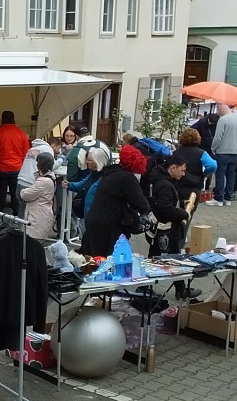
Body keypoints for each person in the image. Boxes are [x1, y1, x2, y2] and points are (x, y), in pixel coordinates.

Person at [80, 145, 151, 257]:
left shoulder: (110, 173)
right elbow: (141, 204)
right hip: (110, 227)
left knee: (94, 262)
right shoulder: (126, 178)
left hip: (95, 222)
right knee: (109, 263)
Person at [147, 153, 200, 300]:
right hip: (165, 229)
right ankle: (144, 287)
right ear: (173, 168)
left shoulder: (163, 181)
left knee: (162, 257)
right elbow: (164, 209)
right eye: (182, 170)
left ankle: (180, 289)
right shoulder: (165, 184)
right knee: (163, 259)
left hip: (164, 229)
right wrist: (182, 213)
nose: (184, 174)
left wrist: (181, 204)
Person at [0, 111, 30, 214]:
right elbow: (26, 153)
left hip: (0, 169)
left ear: (2, 119)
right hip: (17, 169)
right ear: (14, 119)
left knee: (1, 194)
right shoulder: (21, 134)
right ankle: (17, 216)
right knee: (15, 194)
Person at [210, 105, 237, 204]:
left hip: (223, 151)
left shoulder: (223, 120)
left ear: (220, 110)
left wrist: (213, 148)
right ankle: (228, 197)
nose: (218, 114)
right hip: (235, 152)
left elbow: (218, 137)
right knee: (231, 174)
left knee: (220, 174)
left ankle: (219, 198)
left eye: (218, 112)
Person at [19, 152, 57, 241]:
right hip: (40, 216)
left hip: (37, 219)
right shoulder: (50, 178)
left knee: (33, 247)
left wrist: (22, 191)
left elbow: (26, 195)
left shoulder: (43, 182)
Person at [15, 137, 54, 219]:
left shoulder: (32, 149)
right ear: (54, 145)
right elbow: (50, 167)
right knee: (31, 215)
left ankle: (19, 230)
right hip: (31, 183)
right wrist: (61, 160)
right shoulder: (48, 149)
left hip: (20, 181)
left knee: (22, 211)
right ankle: (24, 231)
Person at [177, 127, 216, 208]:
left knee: (179, 208)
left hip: (178, 184)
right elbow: (213, 165)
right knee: (189, 210)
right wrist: (205, 174)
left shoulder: (176, 152)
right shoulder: (201, 153)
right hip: (194, 185)